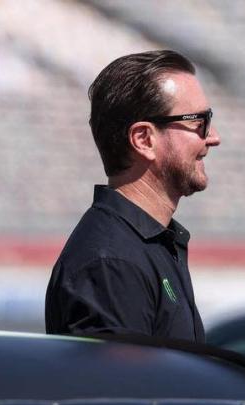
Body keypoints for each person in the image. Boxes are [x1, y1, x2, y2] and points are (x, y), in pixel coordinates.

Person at [45, 50, 220, 343]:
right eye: (199, 121)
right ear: (144, 139)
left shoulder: (149, 244)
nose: (213, 137)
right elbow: (125, 388)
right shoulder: (112, 263)